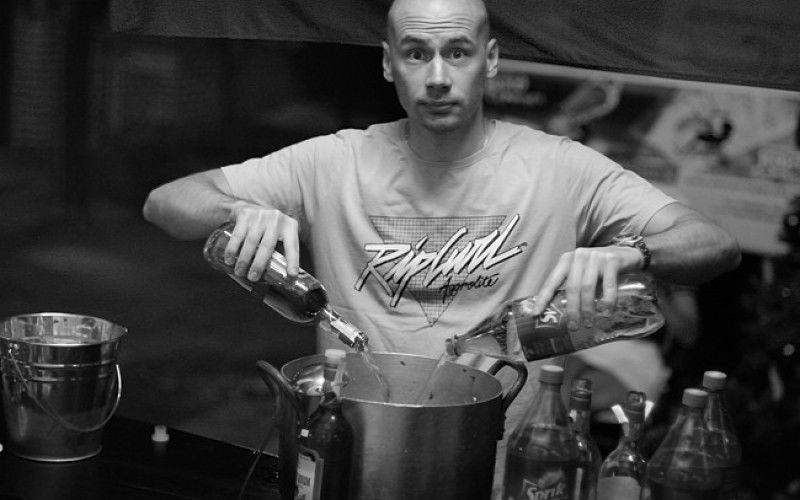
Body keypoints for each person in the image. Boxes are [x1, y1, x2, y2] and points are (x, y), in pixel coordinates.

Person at [142, 0, 741, 495]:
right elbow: (166, 203)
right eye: (415, 53)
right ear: (388, 63)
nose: (436, 76)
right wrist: (236, 211)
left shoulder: (559, 168)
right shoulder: (334, 161)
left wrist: (632, 251)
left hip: (505, 472)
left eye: (457, 52)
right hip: (349, 460)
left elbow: (715, 245)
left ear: (491, 59)